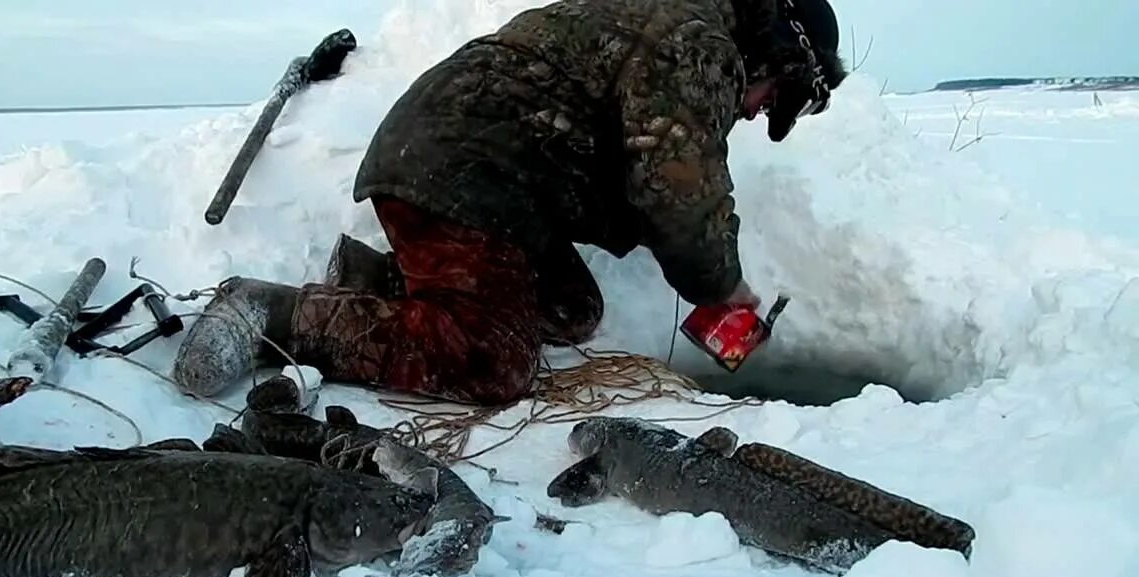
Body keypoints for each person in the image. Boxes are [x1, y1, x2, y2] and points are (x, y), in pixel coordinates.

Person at [173, 0, 847, 405]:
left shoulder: (682, 24)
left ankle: (372, 281)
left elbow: (655, 168)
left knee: (570, 309)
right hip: (459, 170)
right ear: (777, 59)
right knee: (494, 363)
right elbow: (678, 186)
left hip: (488, 182)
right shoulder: (696, 44)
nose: (759, 114)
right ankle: (276, 313)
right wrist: (721, 285)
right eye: (774, 101)